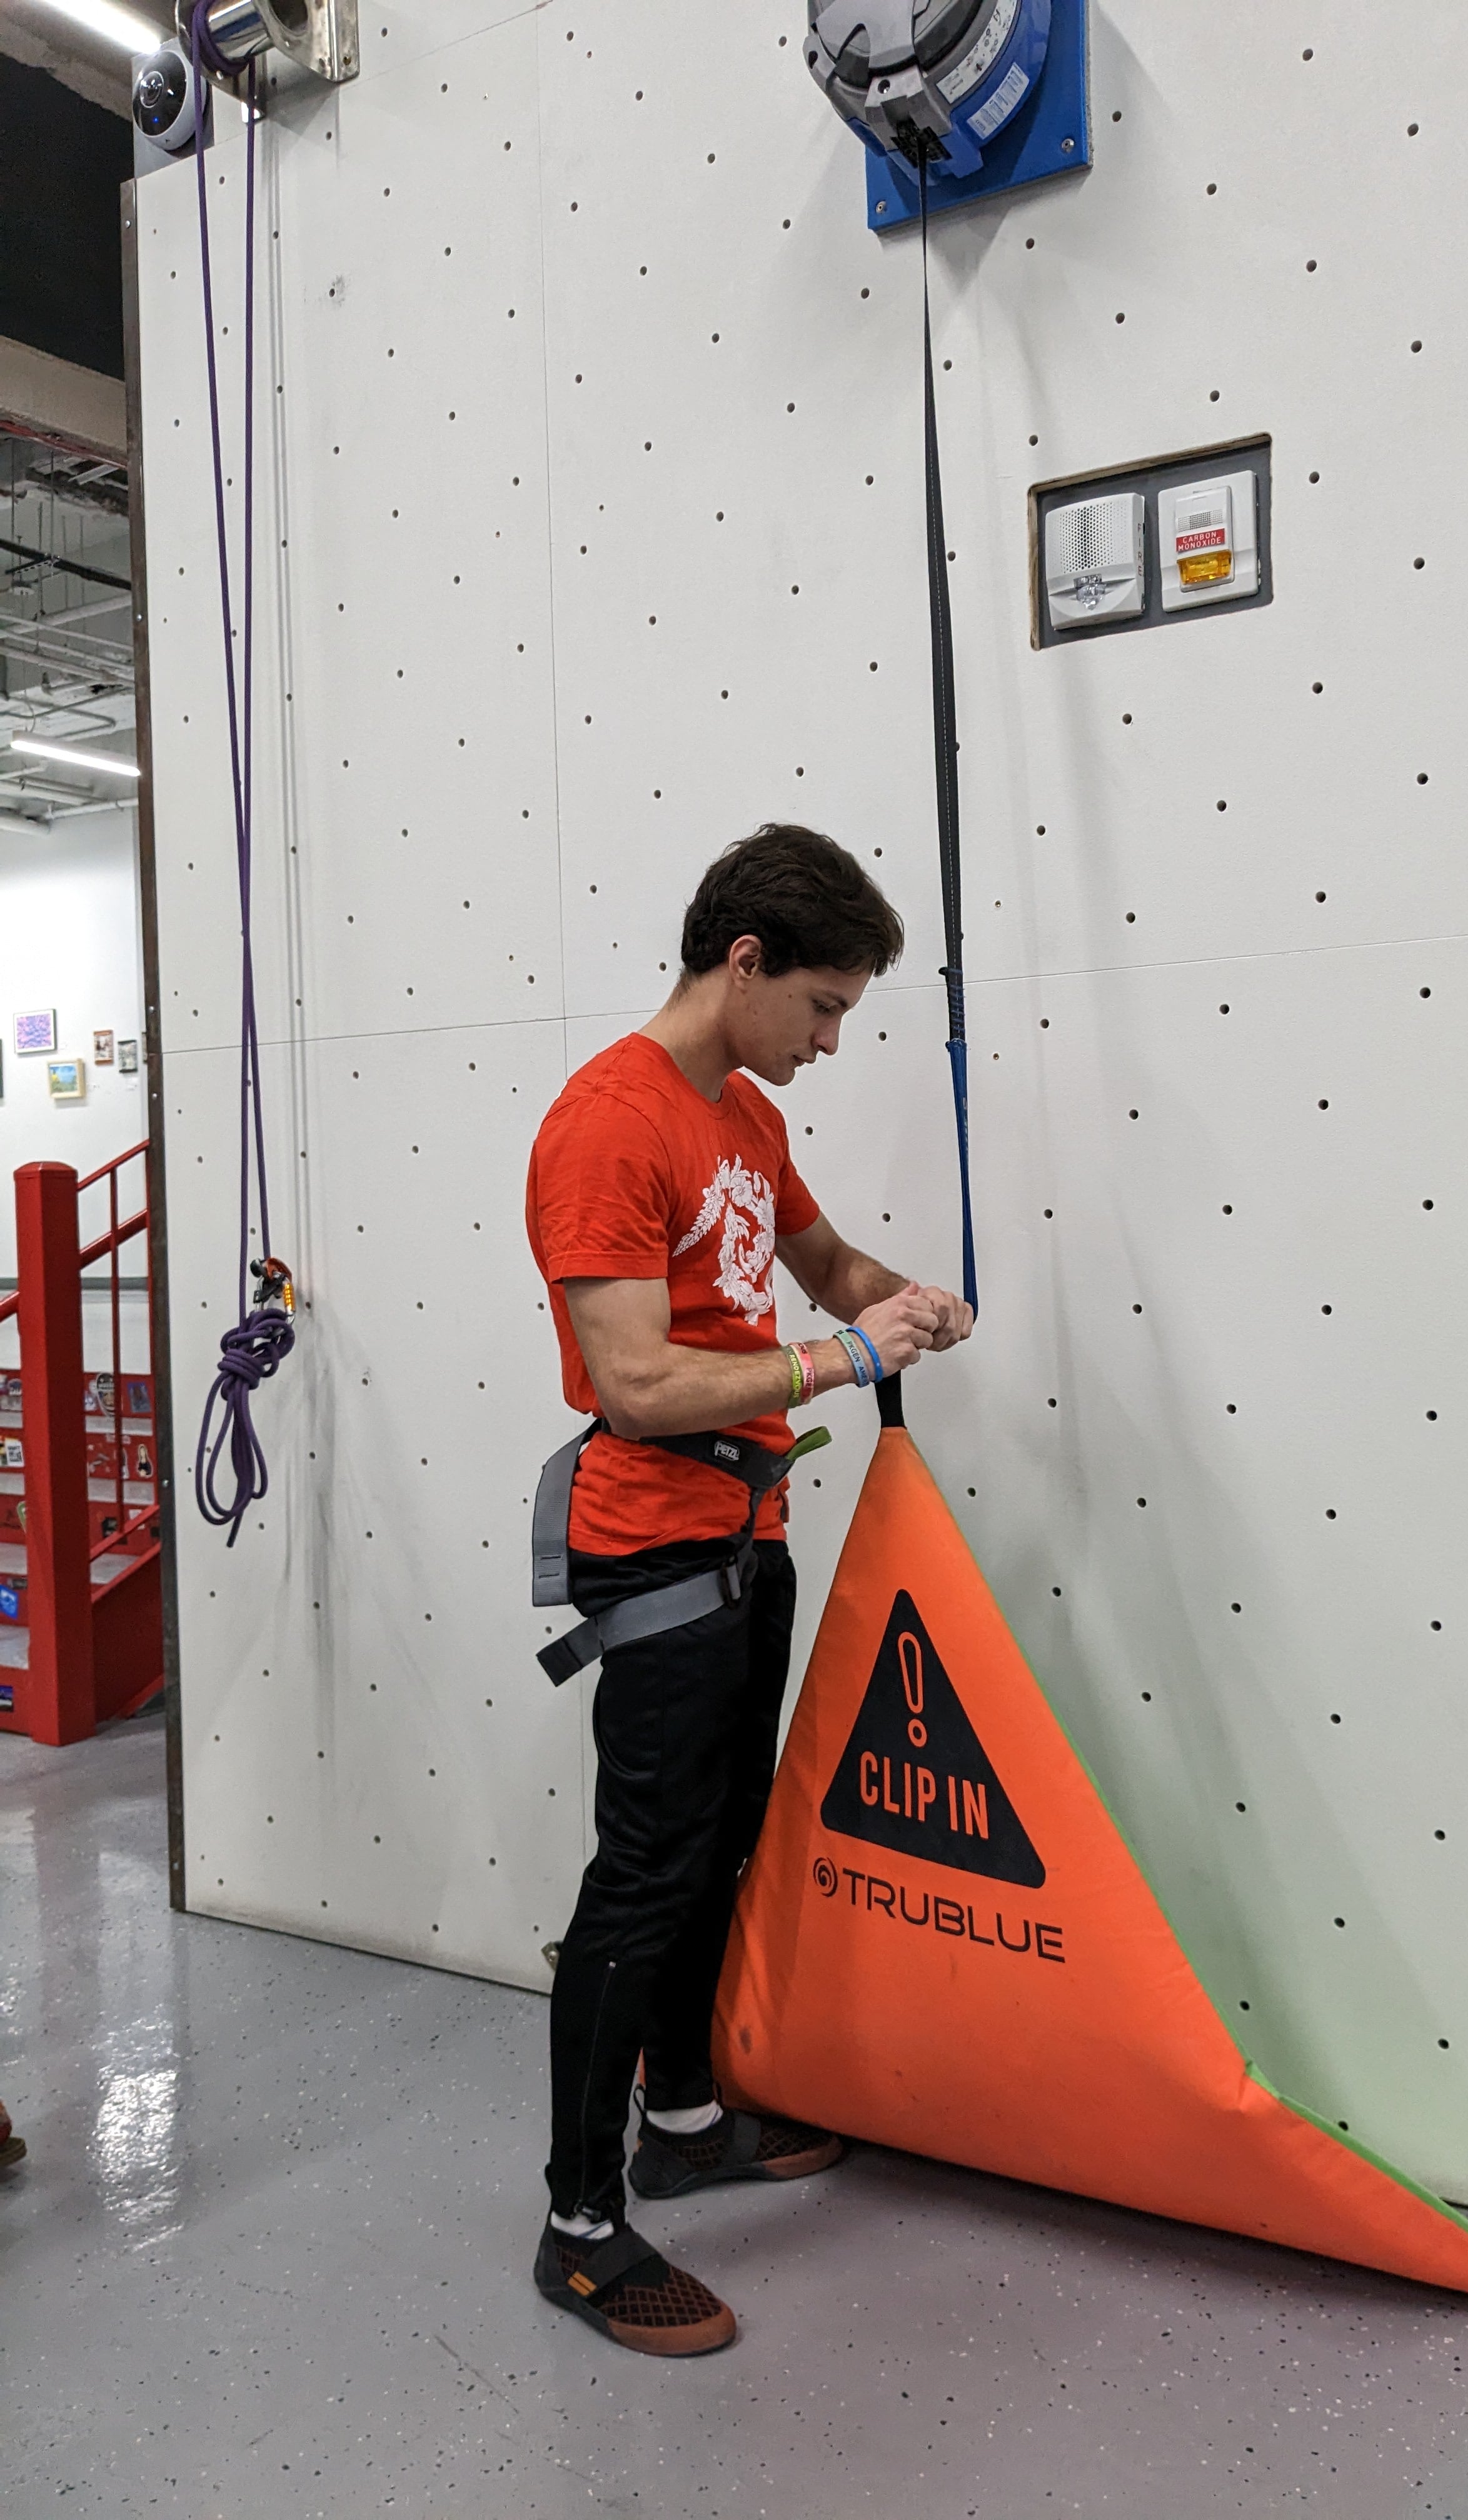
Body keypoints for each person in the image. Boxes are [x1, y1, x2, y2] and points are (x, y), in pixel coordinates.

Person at [524, 823, 974, 2357]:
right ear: (746, 964)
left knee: (719, 1842)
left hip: (746, 1537)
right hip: (652, 1543)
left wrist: (898, 1301)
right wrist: (843, 1360)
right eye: (827, 1008)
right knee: (641, 1878)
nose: (835, 1043)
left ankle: (688, 2118)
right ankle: (581, 2223)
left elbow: (823, 1258)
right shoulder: (609, 1121)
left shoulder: (737, 1115)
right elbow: (639, 1382)